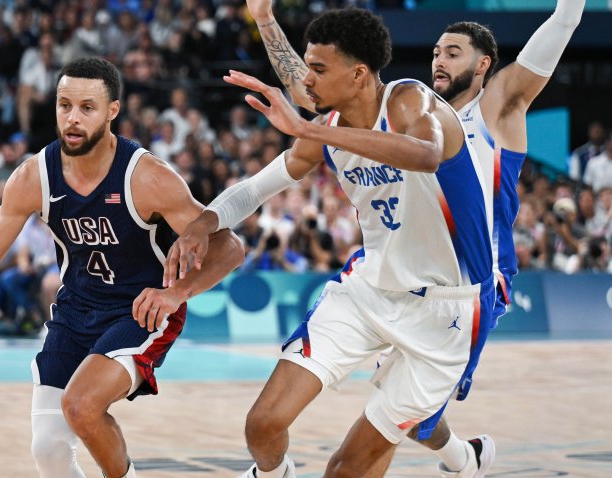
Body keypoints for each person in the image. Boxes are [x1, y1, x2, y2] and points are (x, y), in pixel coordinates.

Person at [246, 0, 585, 474]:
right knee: (411, 419)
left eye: (453, 52)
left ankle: (463, 457)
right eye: (436, 52)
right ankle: (467, 458)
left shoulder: (497, 107)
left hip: (470, 276)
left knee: (418, 419)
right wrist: (265, 19)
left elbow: (565, 21)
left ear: (484, 64)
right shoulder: (408, 108)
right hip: (392, 274)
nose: (439, 60)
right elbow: (316, 92)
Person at [167, 9, 494, 477]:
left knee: (345, 470)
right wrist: (205, 221)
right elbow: (257, 188)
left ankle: (465, 459)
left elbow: (425, 155)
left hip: (445, 312)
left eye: (319, 70)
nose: (308, 80)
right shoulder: (328, 130)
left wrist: (309, 128)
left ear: (359, 74)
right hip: (368, 292)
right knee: (262, 424)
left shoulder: (407, 98)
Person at [0, 57, 244, 478]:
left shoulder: (147, 177)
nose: (72, 119)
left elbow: (229, 247)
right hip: (76, 309)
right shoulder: (33, 177)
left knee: (81, 406)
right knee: (47, 448)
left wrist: (176, 294)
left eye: (86, 107)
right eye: (64, 105)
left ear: (112, 111)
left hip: (141, 310)